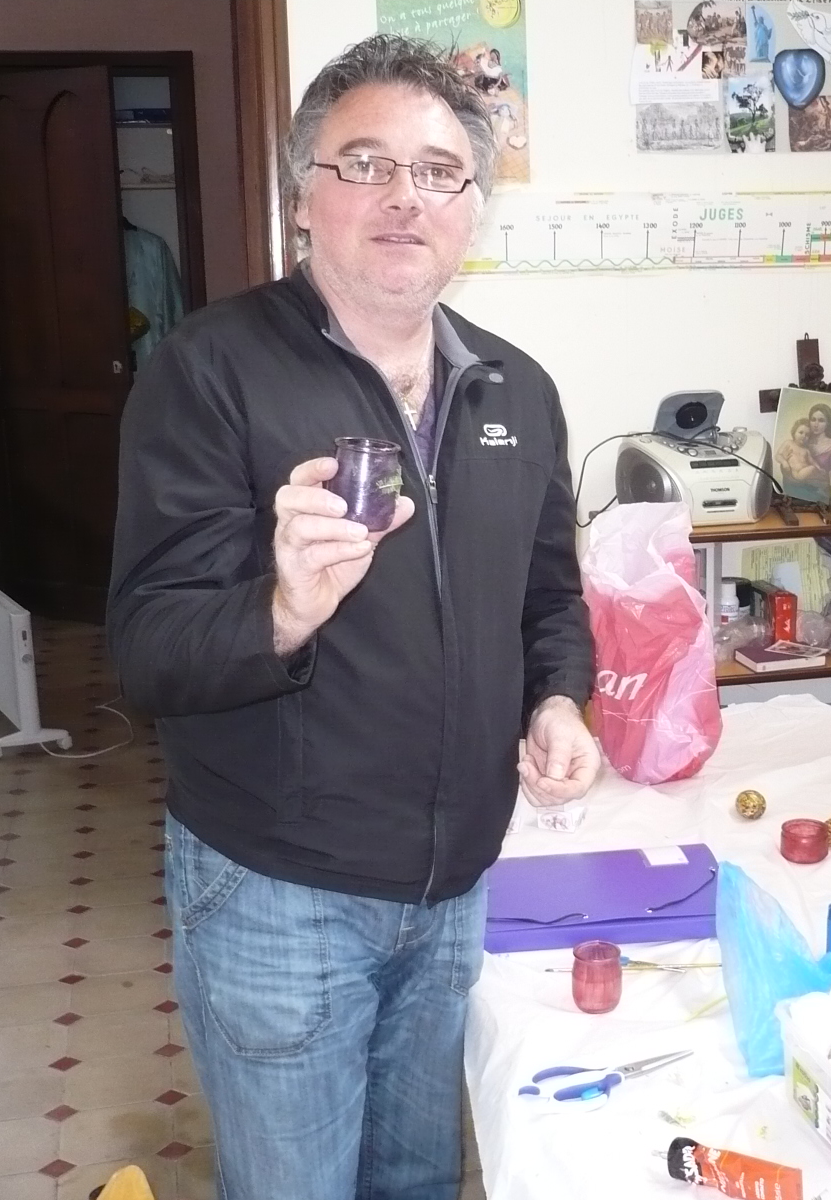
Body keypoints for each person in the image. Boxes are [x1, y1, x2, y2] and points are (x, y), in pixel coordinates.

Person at [106, 34, 599, 1200]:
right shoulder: (208, 371)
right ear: (302, 200)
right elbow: (147, 652)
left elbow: (549, 596)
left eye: (437, 171)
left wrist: (559, 698)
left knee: (417, 1182)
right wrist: (283, 610)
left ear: (471, 210)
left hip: (453, 886)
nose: (403, 197)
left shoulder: (516, 390)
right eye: (365, 163)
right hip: (279, 892)